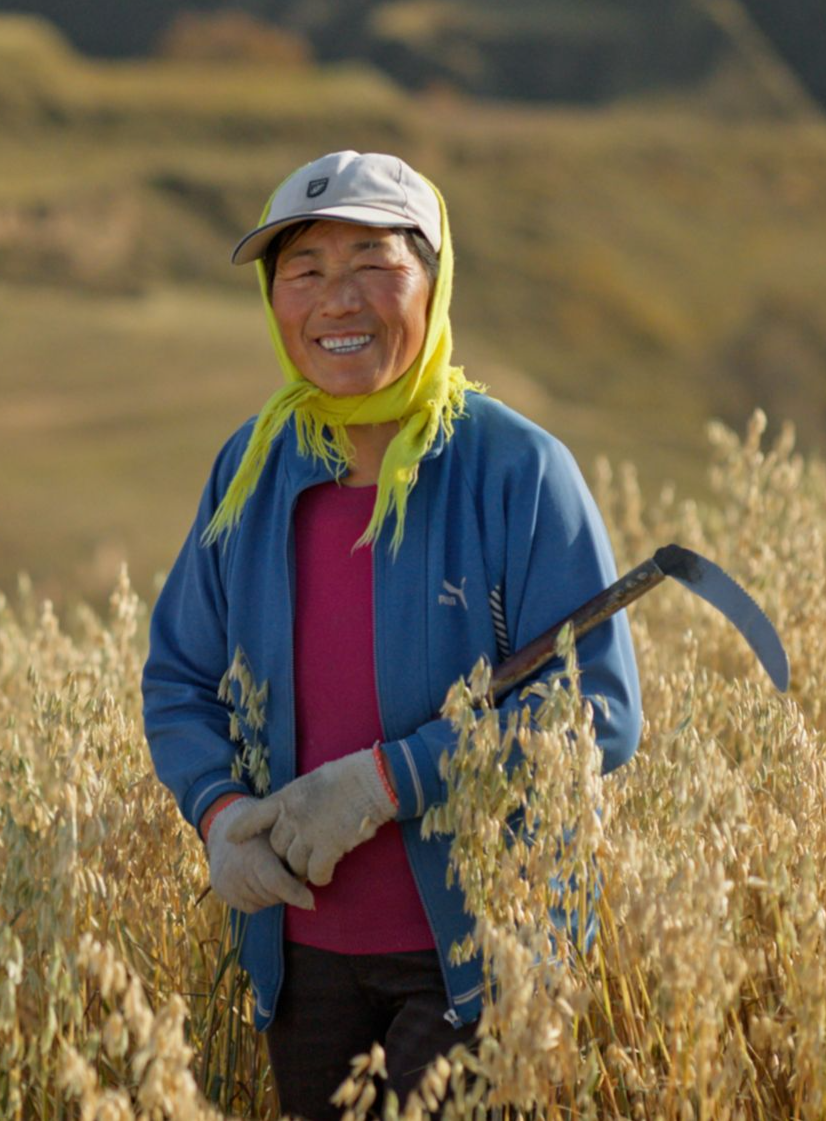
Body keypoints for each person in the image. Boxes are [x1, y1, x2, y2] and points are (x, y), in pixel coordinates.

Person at [141, 151, 641, 1117]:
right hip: (302, 958)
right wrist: (219, 816)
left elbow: (597, 715)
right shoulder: (250, 467)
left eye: (374, 263)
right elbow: (178, 677)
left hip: (483, 954)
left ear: (434, 277)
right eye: (305, 270)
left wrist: (384, 784)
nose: (338, 300)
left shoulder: (517, 469)